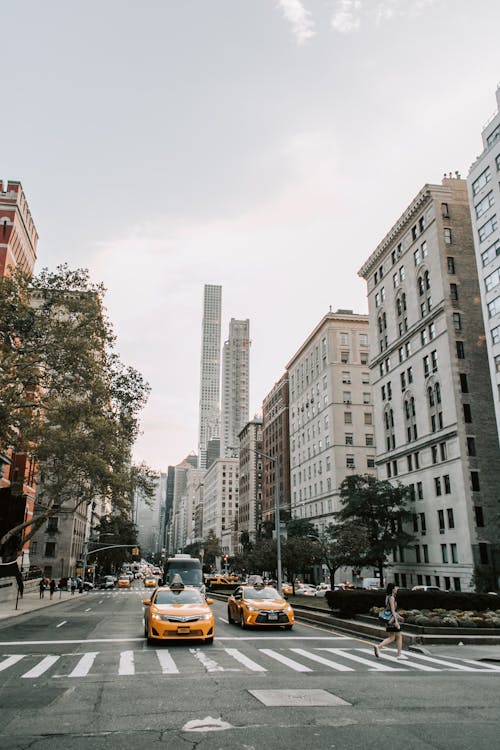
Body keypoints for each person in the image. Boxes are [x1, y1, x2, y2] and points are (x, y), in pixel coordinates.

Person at [373, 582, 407, 660]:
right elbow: (392, 611)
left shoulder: (387, 597)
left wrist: (399, 617)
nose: (397, 589)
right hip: (392, 620)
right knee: (398, 636)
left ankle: (379, 647)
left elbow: (390, 610)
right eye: (395, 588)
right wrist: (397, 622)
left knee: (392, 637)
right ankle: (398, 654)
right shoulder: (392, 598)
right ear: (392, 589)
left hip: (388, 619)